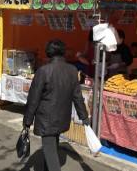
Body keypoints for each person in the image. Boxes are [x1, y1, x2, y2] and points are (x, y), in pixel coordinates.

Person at [23, 39, 90, 171]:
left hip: (46, 118)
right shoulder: (72, 70)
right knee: (53, 147)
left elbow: (33, 99)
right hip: (62, 116)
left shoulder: (43, 71)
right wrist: (84, 116)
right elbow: (77, 95)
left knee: (49, 151)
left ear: (48, 52)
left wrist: (27, 121)